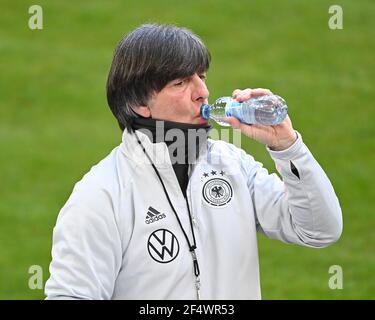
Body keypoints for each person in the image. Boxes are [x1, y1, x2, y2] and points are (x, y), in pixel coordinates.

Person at [45, 23, 343, 300]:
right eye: (181, 82)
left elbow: (319, 230)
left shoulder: (233, 165)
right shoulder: (101, 195)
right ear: (139, 103)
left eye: (201, 76)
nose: (203, 92)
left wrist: (287, 148)